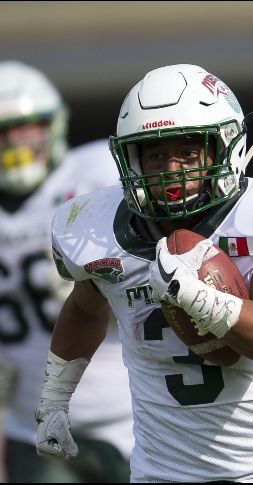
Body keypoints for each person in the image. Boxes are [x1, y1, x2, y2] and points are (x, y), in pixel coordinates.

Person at [35, 64, 253, 482]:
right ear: (130, 159)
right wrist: (55, 398)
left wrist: (194, 296)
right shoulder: (98, 230)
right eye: (155, 155)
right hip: (162, 472)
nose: (173, 172)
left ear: (224, 147)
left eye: (188, 153)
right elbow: (84, 310)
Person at [0, 60, 133, 483]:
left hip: (130, 414)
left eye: (27, 126)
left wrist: (104, 282)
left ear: (54, 125)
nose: (16, 141)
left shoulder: (97, 173)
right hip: (31, 424)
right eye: (4, 131)